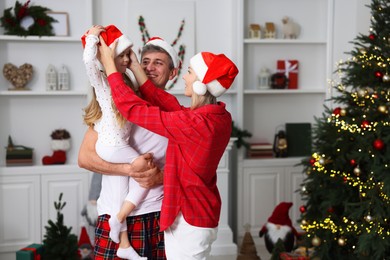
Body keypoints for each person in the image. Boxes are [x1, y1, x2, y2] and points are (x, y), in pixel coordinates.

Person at [98, 35, 239, 259]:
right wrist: (135, 66)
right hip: (192, 214)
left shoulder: (196, 124)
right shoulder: (216, 116)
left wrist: (109, 66)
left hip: (191, 219)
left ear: (202, 86)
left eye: (190, 73)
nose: (185, 77)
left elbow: (133, 109)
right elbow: (166, 103)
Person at [78, 35, 180, 259]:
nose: (150, 68)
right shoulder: (120, 102)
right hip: (115, 213)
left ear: (174, 73)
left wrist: (161, 177)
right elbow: (85, 158)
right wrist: (129, 169)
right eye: (145, 61)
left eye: (158, 63)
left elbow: (189, 169)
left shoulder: (178, 115)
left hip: (156, 214)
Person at [82, 24, 154, 260]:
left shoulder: (126, 84)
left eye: (128, 54)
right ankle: (120, 219)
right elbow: (90, 64)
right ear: (109, 56)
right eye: (121, 54)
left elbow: (149, 95)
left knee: (120, 194)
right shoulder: (104, 83)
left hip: (117, 146)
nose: (126, 59)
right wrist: (94, 40)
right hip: (112, 147)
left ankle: (123, 242)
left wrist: (132, 62)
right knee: (146, 173)